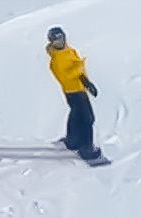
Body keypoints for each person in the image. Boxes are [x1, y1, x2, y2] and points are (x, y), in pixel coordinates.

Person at [45, 26, 106, 162]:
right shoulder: (56, 60)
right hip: (72, 91)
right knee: (87, 118)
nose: (60, 42)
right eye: (56, 41)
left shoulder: (69, 51)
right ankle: (86, 149)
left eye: (61, 38)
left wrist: (87, 83)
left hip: (79, 88)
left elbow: (78, 71)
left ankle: (73, 141)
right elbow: (65, 77)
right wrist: (78, 67)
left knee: (77, 115)